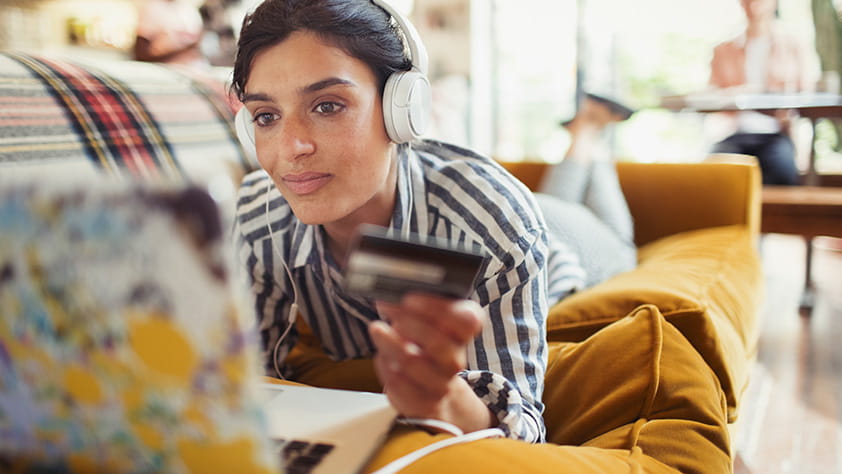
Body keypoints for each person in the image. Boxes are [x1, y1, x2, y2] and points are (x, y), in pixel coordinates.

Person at [230, 0, 586, 442]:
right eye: (266, 116)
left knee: (586, 204)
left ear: (403, 109)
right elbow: (246, 382)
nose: (291, 148)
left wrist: (448, 399)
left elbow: (523, 427)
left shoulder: (494, 224)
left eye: (327, 106)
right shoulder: (257, 217)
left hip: (572, 254)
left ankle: (587, 139)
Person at [708, 0, 820, 185]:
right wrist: (738, 95)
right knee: (714, 176)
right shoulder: (723, 49)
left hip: (777, 134)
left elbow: (806, 93)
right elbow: (712, 95)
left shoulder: (793, 44)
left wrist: (787, 111)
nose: (754, 6)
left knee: (782, 173)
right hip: (735, 133)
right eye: (748, 1)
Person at [536, 92, 637, 289]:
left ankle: (586, 130)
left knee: (553, 205)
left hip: (548, 224)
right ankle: (588, 130)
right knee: (588, 174)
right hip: (605, 252)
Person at [133, 0, 207, 68]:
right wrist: (183, 52)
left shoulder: (189, 10)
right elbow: (141, 55)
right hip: (164, 70)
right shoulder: (152, 8)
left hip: (194, 69)